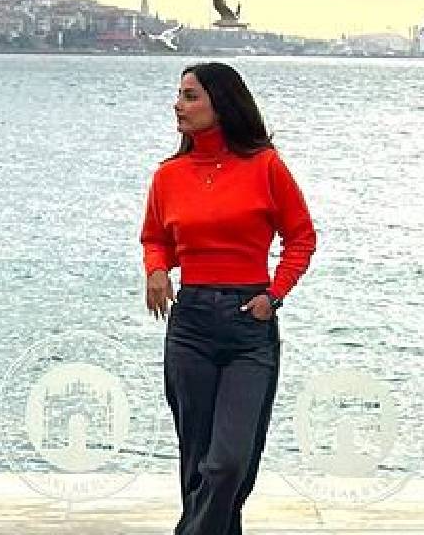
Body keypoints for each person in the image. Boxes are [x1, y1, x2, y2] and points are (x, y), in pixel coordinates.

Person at [140, 62, 316, 535]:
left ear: (222, 103)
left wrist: (273, 296)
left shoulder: (265, 166)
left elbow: (301, 237)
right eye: (179, 95)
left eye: (190, 95)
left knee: (228, 464)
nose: (178, 105)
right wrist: (156, 270)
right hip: (191, 323)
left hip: (248, 325)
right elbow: (155, 238)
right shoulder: (168, 175)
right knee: (197, 465)